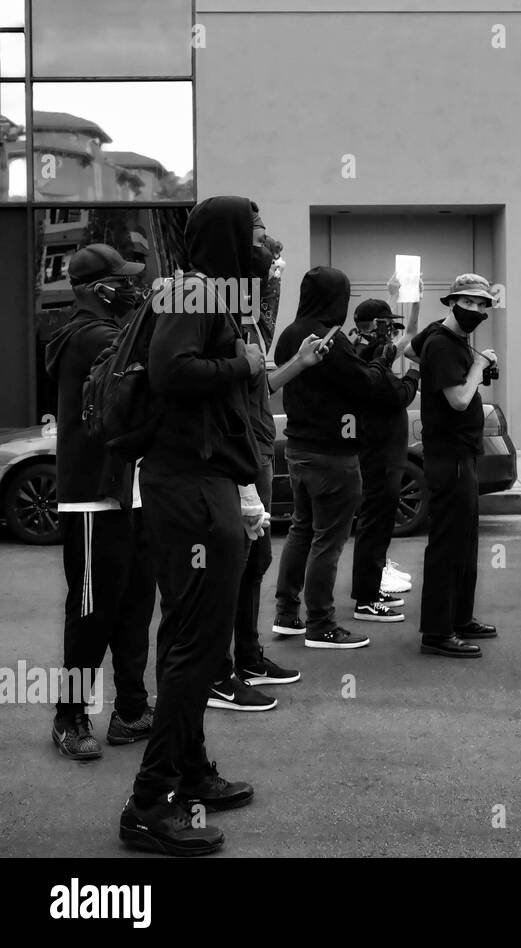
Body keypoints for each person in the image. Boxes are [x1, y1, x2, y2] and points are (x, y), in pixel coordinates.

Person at [119, 196, 266, 856]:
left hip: (198, 485)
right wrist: (245, 365)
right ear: (232, 237)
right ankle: (150, 804)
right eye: (255, 230)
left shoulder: (212, 294)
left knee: (186, 635)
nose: (263, 240)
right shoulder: (193, 294)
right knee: (198, 647)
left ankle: (192, 772)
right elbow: (170, 372)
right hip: (191, 492)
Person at [271, 266, 420, 649]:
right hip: (331, 453)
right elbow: (366, 382)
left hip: (298, 448)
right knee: (328, 540)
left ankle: (287, 614)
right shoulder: (328, 338)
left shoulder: (290, 333)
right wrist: (382, 360)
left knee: (301, 531)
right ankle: (321, 625)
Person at [45, 244, 154, 759]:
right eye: (123, 281)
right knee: (91, 613)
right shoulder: (92, 336)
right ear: (94, 288)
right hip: (93, 498)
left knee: (134, 608)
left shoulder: (112, 331)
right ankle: (69, 718)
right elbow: (147, 371)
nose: (133, 288)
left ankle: (130, 710)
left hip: (127, 494)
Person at [208, 207, 306, 712]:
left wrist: (298, 364)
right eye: (260, 241)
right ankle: (219, 671)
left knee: (257, 558)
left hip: (260, 446)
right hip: (240, 454)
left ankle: (246, 656)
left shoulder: (247, 314)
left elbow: (258, 382)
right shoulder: (208, 308)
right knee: (238, 561)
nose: (272, 251)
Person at [410, 273, 500, 657]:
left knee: (465, 543)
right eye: (468, 303)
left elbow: (412, 351)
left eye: (482, 304)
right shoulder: (444, 344)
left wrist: (471, 364)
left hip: (463, 455)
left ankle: (460, 618)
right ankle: (437, 633)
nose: (476, 310)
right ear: (451, 302)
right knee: (447, 545)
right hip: (450, 458)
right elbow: (459, 400)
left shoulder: (441, 339)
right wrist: (478, 370)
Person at [347, 297, 419, 623]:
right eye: (386, 325)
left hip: (383, 455)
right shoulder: (366, 359)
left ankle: (372, 589)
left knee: (378, 527)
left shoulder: (373, 353)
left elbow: (408, 338)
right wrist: (416, 373)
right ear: (374, 328)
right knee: (373, 527)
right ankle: (365, 601)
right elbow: (400, 394)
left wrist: (412, 299)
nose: (392, 333)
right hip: (379, 457)